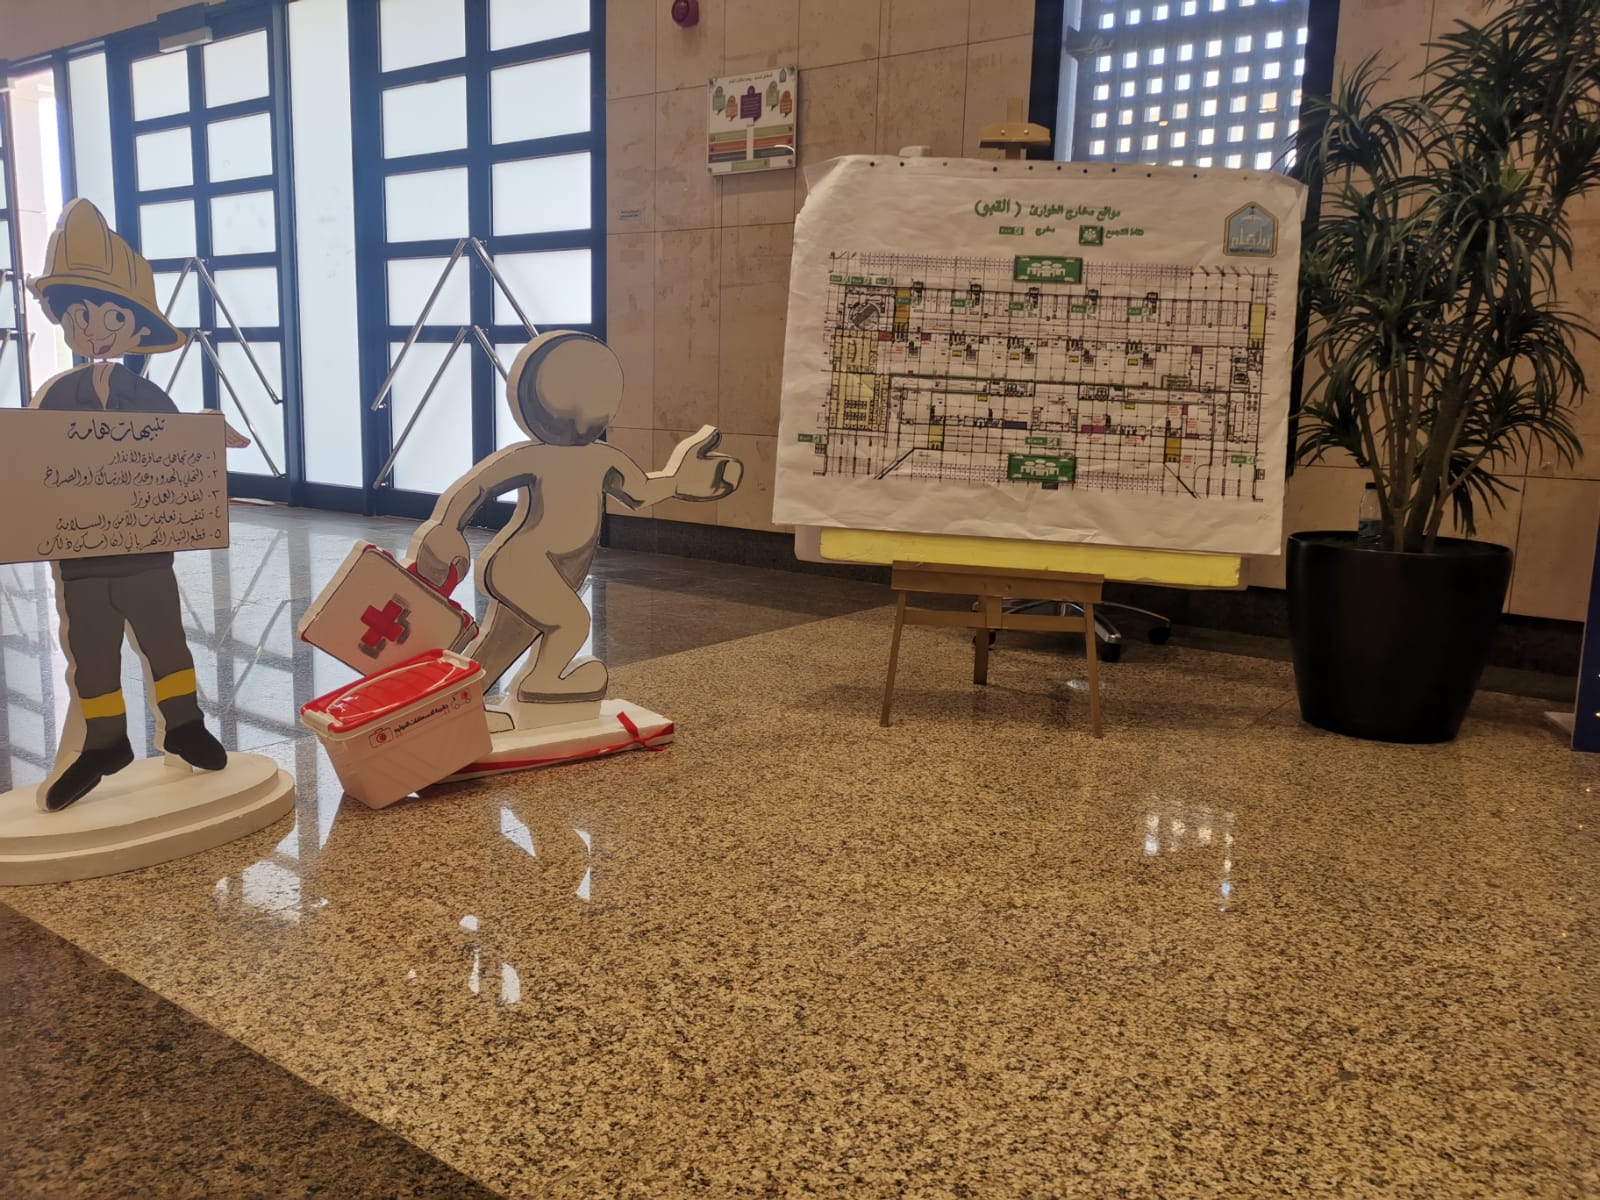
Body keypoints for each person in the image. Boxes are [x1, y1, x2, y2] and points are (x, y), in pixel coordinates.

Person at [27, 199, 235, 811]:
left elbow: (174, 454)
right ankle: (105, 741)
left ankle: (184, 724)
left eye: (111, 315)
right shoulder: (56, 398)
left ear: (135, 326)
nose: (95, 328)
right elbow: (33, 465)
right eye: (81, 314)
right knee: (93, 654)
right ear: (64, 319)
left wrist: (206, 437)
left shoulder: (148, 397)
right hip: (82, 562)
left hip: (147, 557)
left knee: (166, 642)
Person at [408, 331, 741, 710]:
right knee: (571, 623)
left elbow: (642, 491)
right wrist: (447, 527)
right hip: (525, 564)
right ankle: (542, 682)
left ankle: (453, 703)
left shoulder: (603, 458)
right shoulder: (536, 457)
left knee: (503, 642)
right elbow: (477, 486)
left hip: (549, 568)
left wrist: (679, 481)